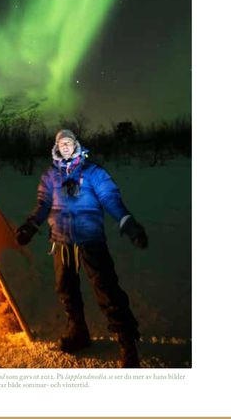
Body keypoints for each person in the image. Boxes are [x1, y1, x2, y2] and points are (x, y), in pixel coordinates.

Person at [15, 128, 148, 367]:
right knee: (66, 289)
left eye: (69, 142)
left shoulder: (93, 172)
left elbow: (111, 199)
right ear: (57, 147)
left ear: (76, 145)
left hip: (90, 240)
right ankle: (78, 331)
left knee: (106, 289)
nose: (65, 146)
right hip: (61, 241)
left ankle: (127, 341)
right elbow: (43, 204)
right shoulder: (50, 176)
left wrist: (130, 225)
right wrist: (30, 226)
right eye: (61, 143)